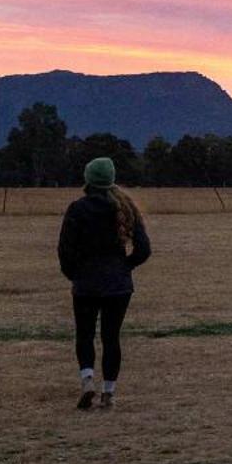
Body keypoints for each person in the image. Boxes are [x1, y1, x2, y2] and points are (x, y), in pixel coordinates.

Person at [56, 156, 151, 411]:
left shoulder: (77, 209)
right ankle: (109, 393)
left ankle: (87, 381)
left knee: (84, 335)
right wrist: (124, 267)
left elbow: (65, 250)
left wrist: (73, 274)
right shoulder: (125, 208)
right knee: (112, 338)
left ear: (88, 179)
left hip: (86, 283)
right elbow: (143, 249)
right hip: (118, 285)